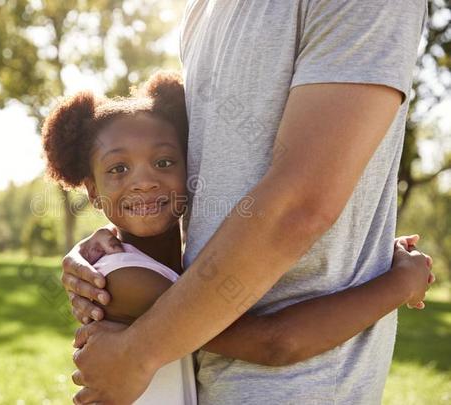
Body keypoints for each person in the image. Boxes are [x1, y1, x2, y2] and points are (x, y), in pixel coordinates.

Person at [63, 1, 432, 403]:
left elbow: (299, 205)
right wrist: (400, 283)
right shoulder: (201, 10)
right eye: (119, 169)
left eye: (164, 162)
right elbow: (277, 342)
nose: (145, 182)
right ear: (91, 191)